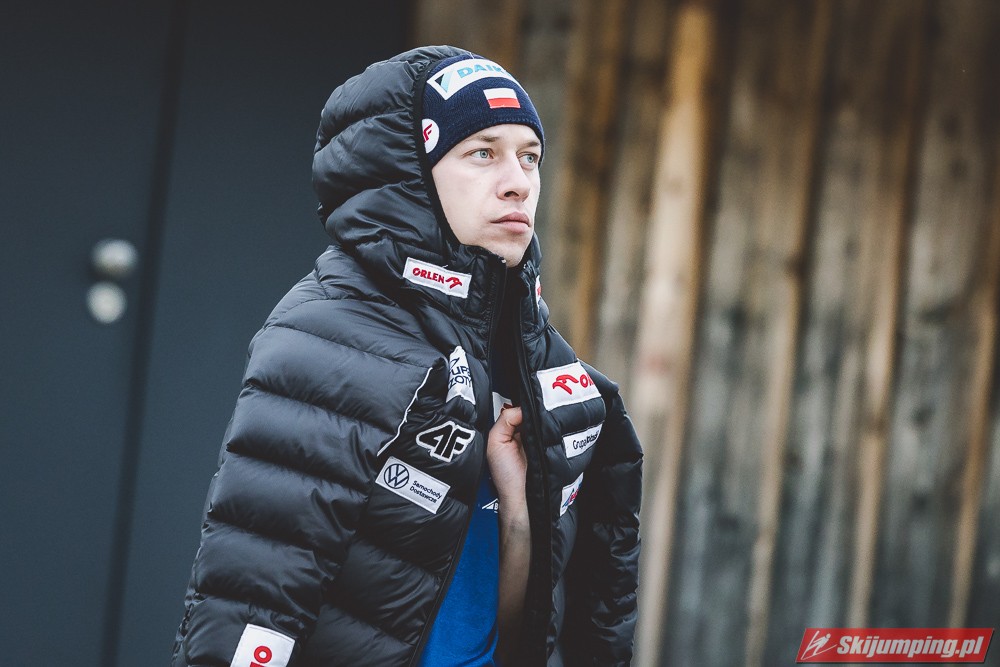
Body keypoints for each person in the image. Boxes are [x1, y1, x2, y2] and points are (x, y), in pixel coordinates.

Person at [171, 45, 642, 667]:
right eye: (483, 152)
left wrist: (519, 516)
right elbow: (253, 601)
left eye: (529, 156)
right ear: (412, 172)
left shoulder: (551, 372)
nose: (518, 181)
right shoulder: (329, 338)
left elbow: (525, 630)